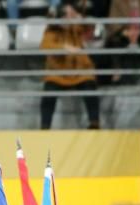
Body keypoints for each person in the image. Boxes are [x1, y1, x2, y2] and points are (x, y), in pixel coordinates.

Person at [40, 1, 99, 130]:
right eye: (66, 15)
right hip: (58, 73)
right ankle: (45, 127)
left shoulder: (78, 26)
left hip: (79, 72)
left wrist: (81, 20)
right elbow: (45, 46)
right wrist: (63, 47)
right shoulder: (52, 29)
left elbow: (92, 32)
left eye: (71, 14)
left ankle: (94, 123)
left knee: (90, 85)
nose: (68, 18)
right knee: (48, 92)